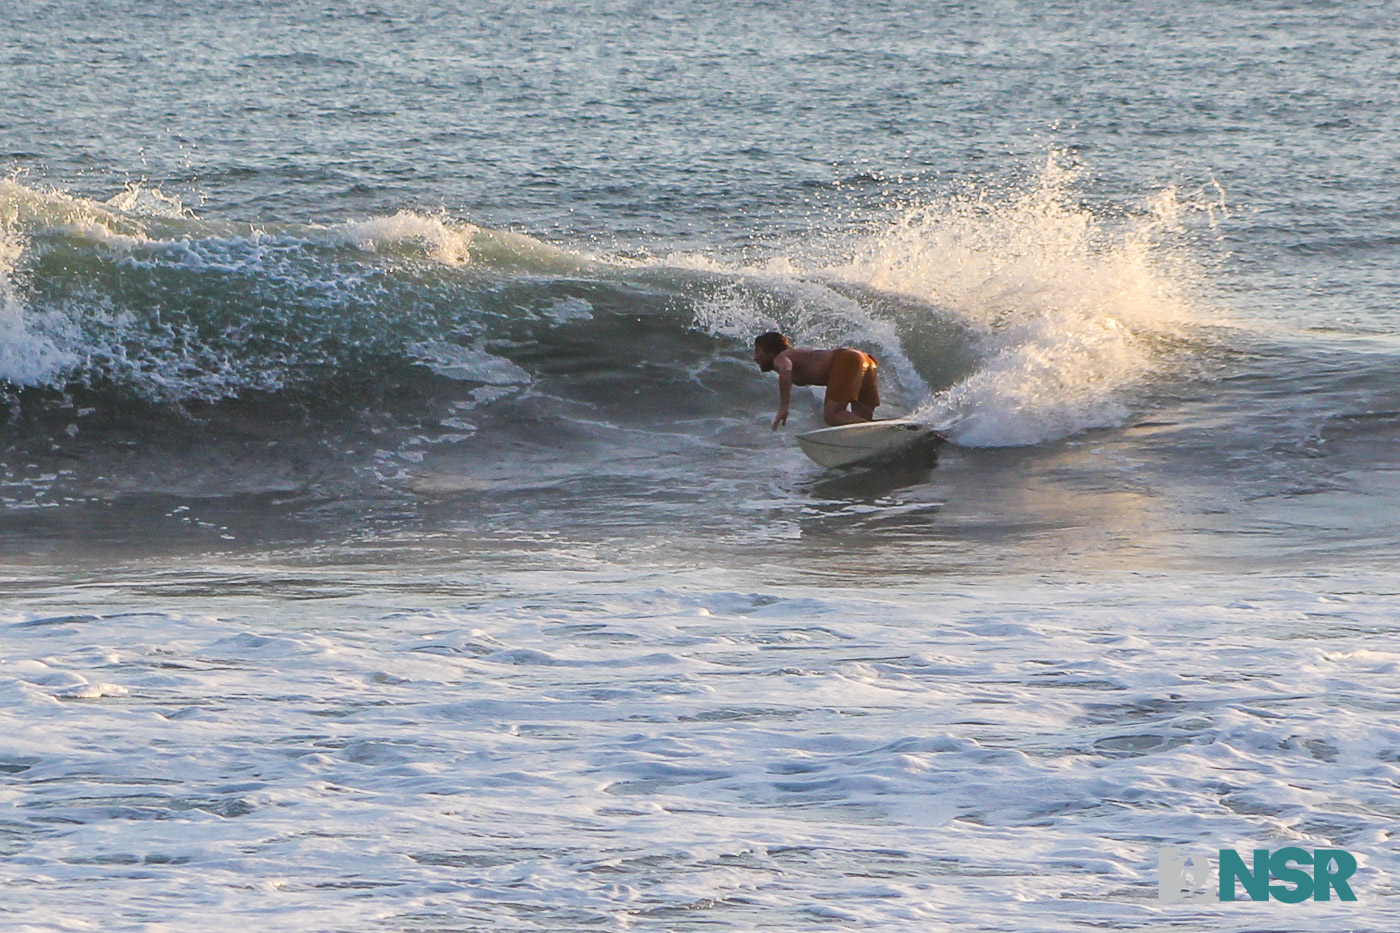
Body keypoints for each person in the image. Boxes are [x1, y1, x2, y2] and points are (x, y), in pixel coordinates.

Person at [752, 332, 880, 430]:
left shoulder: (781, 357)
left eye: (757, 351)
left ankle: (879, 431)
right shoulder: (795, 355)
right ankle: (894, 431)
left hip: (847, 360)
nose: (755, 358)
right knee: (863, 426)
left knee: (833, 415)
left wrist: (783, 407)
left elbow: (786, 370)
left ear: (771, 351)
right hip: (866, 360)